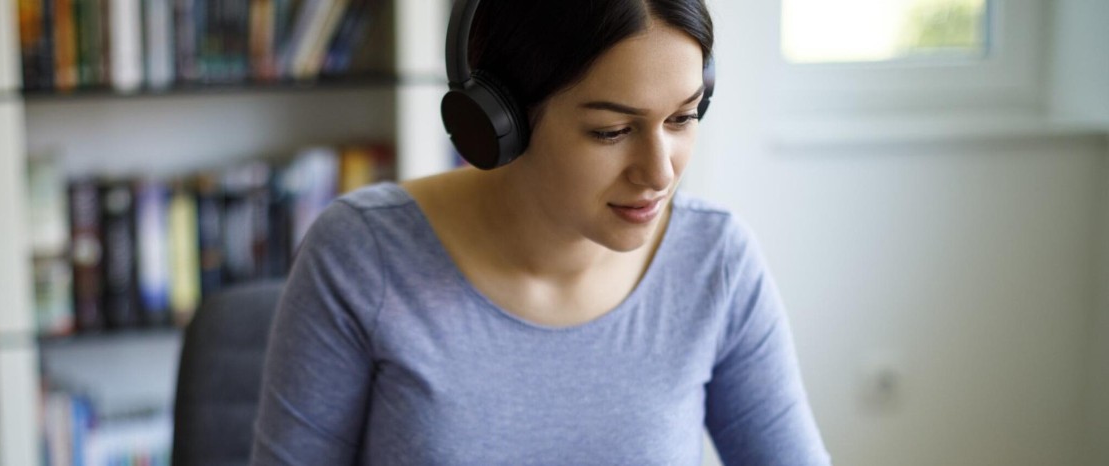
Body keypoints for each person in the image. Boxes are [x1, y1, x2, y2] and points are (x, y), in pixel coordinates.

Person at [251, 0, 830, 464]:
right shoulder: (361, 256)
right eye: (611, 130)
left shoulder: (717, 262)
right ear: (499, 123)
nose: (660, 172)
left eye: (683, 117)